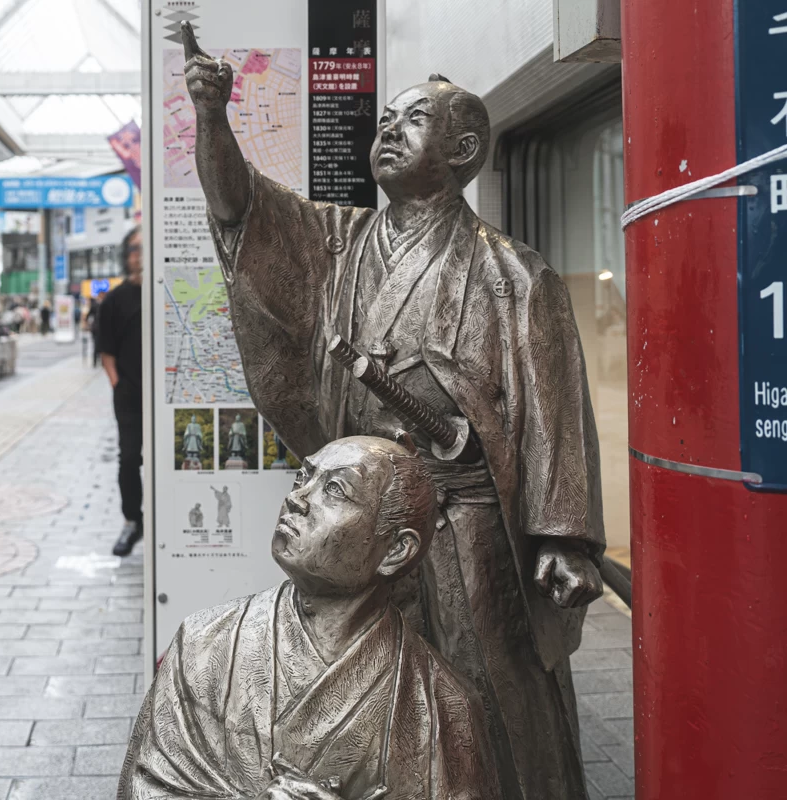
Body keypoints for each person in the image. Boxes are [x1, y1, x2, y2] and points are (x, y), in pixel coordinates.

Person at [184, 23, 603, 800]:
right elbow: (241, 213)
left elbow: (556, 413)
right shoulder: (338, 245)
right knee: (381, 690)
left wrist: (562, 535)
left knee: (490, 690)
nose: (387, 131)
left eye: (412, 121)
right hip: (363, 525)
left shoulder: (514, 275)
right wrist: (214, 118)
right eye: (385, 120)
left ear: (466, 150)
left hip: (466, 526)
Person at [120, 437, 500, 800]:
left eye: (334, 489)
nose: (296, 498)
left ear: (397, 550)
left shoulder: (443, 704)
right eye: (303, 478)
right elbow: (142, 787)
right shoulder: (203, 643)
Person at [98, 227, 143, 556]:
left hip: (166, 397)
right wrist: (119, 384)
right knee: (129, 458)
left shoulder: (167, 291)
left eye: (144, 248)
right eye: (133, 249)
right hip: (129, 393)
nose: (139, 255)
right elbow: (106, 352)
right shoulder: (114, 300)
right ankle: (133, 521)